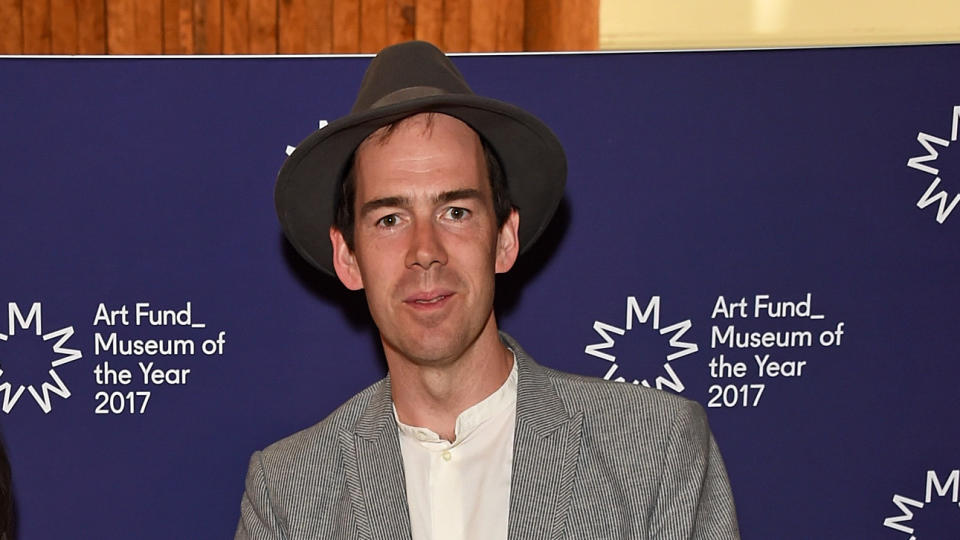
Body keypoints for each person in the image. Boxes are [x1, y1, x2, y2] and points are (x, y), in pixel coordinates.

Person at [237, 40, 739, 539]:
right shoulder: (288, 495)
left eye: (455, 212)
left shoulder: (655, 453)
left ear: (504, 239)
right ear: (348, 258)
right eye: (390, 219)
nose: (425, 250)